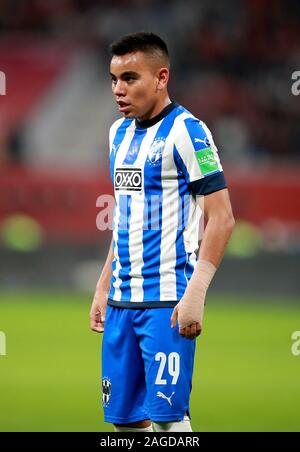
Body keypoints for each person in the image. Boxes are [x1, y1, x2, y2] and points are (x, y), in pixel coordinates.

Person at [90, 32, 235, 433]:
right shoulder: (116, 134)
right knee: (125, 425)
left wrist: (196, 293)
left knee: (170, 424)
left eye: (131, 78)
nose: (119, 89)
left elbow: (221, 217)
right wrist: (104, 286)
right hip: (121, 304)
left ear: (161, 77)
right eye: (114, 78)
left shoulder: (188, 132)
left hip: (167, 303)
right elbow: (124, 218)